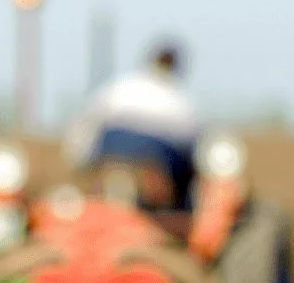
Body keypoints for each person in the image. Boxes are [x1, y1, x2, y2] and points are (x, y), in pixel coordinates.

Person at [63, 40, 200, 211]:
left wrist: (81, 160)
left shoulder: (123, 86)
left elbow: (88, 120)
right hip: (154, 157)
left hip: (111, 153)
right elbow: (191, 145)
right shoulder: (180, 101)